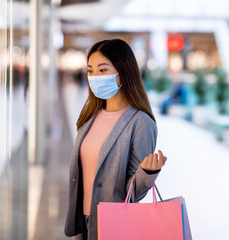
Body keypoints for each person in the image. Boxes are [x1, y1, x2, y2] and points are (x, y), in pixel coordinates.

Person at [64, 39, 167, 240]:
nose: (94, 77)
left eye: (103, 70)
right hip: (83, 221)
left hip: (114, 222)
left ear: (124, 72)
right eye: (90, 70)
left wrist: (147, 173)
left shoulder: (140, 123)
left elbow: (132, 194)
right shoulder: (89, 116)